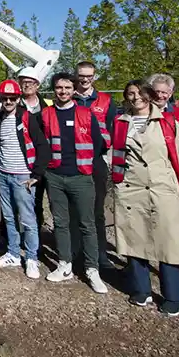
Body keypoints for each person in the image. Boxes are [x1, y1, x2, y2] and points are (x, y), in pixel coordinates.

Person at [112, 80, 179, 316]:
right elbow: (116, 154)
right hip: (131, 188)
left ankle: (173, 295)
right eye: (130, 94)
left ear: (148, 95)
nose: (135, 98)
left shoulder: (167, 121)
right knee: (135, 240)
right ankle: (141, 289)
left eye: (139, 93)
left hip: (162, 189)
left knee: (168, 242)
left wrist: (167, 179)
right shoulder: (121, 123)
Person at [42, 72, 108, 293]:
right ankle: (65, 264)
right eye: (59, 88)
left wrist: (85, 165)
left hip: (81, 176)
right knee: (60, 222)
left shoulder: (85, 114)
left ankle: (92, 269)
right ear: (54, 90)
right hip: (55, 176)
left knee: (86, 224)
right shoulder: (46, 114)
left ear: (74, 90)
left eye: (68, 88)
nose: (63, 92)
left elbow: (99, 143)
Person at [0, 80, 50, 279]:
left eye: (12, 98)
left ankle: (31, 258)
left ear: (18, 98)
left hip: (23, 176)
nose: (8, 101)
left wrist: (36, 175)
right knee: (8, 217)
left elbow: (42, 146)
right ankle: (13, 253)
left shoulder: (27, 118)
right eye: (5, 98)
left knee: (28, 219)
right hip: (3, 174)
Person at [73, 61, 117, 271]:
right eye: (81, 75)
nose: (84, 80)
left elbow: (112, 129)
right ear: (76, 75)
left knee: (97, 209)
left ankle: (100, 253)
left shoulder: (106, 101)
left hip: (95, 161)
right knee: (74, 209)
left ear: (94, 76)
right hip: (72, 161)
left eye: (89, 76)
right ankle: (75, 251)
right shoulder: (67, 97)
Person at [17, 66, 53, 230]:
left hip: (47, 160)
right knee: (24, 201)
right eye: (23, 82)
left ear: (37, 85)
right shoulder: (15, 106)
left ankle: (40, 236)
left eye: (30, 82)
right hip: (24, 160)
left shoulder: (48, 106)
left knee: (45, 200)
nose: (27, 86)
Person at [146, 73, 179, 158]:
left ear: (170, 94)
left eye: (164, 92)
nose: (159, 96)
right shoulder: (141, 113)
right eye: (156, 92)